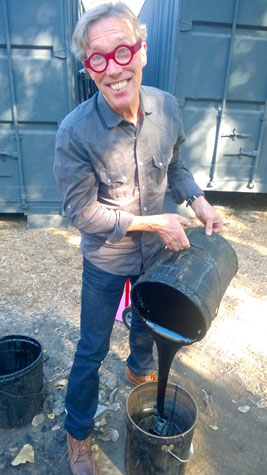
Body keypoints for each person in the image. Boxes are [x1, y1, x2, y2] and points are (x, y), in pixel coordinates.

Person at [54, 2, 223, 473]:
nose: (114, 68)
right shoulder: (74, 133)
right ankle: (78, 436)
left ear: (142, 50)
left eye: (123, 50)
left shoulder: (167, 106)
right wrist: (155, 223)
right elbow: (80, 212)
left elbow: (177, 166)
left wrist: (198, 201)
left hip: (155, 256)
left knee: (148, 324)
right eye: (98, 59)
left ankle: (138, 369)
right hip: (107, 259)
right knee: (90, 349)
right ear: (88, 69)